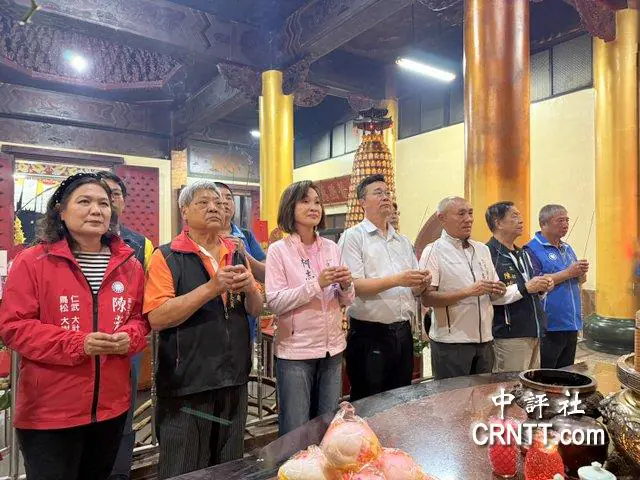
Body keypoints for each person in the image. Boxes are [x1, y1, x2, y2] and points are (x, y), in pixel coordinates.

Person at [0, 173, 149, 480]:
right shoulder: (32, 261)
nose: (96, 210)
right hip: (50, 412)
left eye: (104, 204)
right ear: (61, 211)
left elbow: (138, 319)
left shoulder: (130, 265)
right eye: (84, 201)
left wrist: (129, 338)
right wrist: (78, 344)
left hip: (111, 409)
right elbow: (14, 326)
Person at [144, 180, 263, 479]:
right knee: (184, 468)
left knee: (229, 465)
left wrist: (250, 287)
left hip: (234, 377)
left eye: (219, 203)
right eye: (203, 202)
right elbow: (157, 317)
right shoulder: (167, 256)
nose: (214, 208)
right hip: (188, 383)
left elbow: (256, 309)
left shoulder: (235, 253)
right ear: (184, 211)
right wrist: (211, 288)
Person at [265, 181, 354, 436]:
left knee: (328, 427)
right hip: (296, 352)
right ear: (290, 207)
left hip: (332, 349)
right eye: (305, 201)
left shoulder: (332, 248)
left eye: (317, 202)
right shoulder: (279, 251)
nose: (313, 207)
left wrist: (346, 284)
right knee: (295, 430)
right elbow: (276, 301)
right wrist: (317, 284)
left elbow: (346, 300)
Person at [338, 174, 431, 401]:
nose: (385, 197)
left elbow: (413, 289)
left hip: (402, 332)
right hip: (370, 334)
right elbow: (354, 285)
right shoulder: (353, 237)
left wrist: (421, 283)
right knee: (369, 402)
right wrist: (398, 279)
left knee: (400, 401)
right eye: (378, 193)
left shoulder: (402, 241)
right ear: (362, 202)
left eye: (387, 193)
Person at [420, 197, 519, 380]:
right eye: (461, 214)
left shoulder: (482, 249)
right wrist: (468, 291)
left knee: (483, 395)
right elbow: (427, 298)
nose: (468, 219)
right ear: (442, 218)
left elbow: (494, 291)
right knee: (453, 396)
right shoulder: (433, 251)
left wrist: (498, 290)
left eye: (470, 213)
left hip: (485, 340)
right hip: (451, 343)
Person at [98, 171, 153, 480]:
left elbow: (146, 300)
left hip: (125, 346)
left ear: (123, 201)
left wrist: (132, 333)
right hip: (76, 347)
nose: (107, 200)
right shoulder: (53, 247)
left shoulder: (140, 244)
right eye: (99, 193)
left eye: (114, 194)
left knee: (123, 412)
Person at [485, 202, 554, 372]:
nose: (521, 220)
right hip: (510, 333)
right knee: (511, 384)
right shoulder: (488, 253)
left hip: (533, 329)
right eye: (514, 216)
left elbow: (529, 288)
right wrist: (526, 287)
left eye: (520, 215)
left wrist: (542, 287)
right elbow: (491, 295)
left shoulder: (522, 253)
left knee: (531, 382)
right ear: (498, 223)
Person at [525, 204, 588, 369]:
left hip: (571, 321)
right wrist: (569, 272)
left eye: (567, 220)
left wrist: (581, 272)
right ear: (543, 223)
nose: (565, 224)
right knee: (546, 373)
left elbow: (578, 280)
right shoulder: (532, 249)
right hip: (550, 323)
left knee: (566, 371)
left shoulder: (567, 248)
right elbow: (536, 282)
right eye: (560, 220)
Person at [215, 182, 266, 341]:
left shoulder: (246, 236)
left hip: (244, 318)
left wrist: (244, 254)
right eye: (219, 198)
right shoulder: (200, 239)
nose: (225, 202)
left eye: (228, 198)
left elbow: (266, 274)